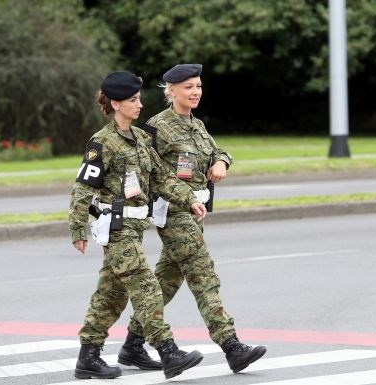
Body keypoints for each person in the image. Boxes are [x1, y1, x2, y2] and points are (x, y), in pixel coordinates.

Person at [118, 64, 266, 374]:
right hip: (173, 212)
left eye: (198, 86)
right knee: (203, 275)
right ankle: (231, 346)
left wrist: (222, 163)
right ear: (170, 91)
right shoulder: (156, 128)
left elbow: (218, 151)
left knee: (167, 280)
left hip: (195, 211)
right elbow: (144, 170)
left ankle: (133, 345)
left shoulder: (196, 125)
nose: (195, 91)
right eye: (188, 87)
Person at [69, 71, 207, 380]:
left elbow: (163, 177)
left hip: (134, 228)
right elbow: (82, 188)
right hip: (116, 229)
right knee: (147, 288)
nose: (140, 104)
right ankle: (168, 350)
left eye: (139, 98)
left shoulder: (143, 139)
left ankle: (87, 358)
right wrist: (78, 229)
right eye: (133, 100)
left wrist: (189, 199)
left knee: (111, 295)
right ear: (116, 104)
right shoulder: (102, 143)